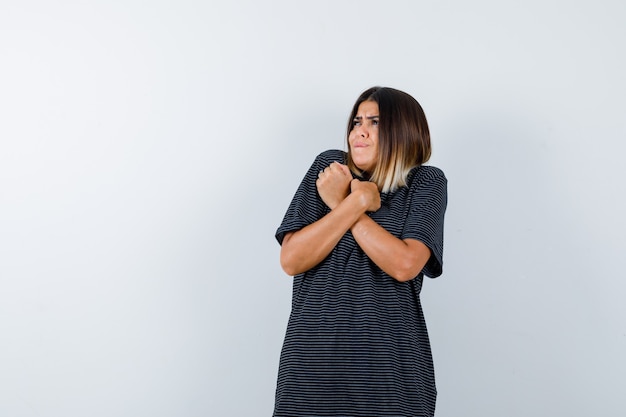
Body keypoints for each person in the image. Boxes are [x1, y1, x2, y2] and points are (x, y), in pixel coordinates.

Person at [273, 86, 448, 417]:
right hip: (310, 370)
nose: (360, 132)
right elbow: (292, 259)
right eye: (356, 122)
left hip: (390, 375)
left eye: (375, 122)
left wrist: (342, 204)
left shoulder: (426, 183)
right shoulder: (330, 169)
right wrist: (357, 201)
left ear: (404, 130)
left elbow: (405, 264)